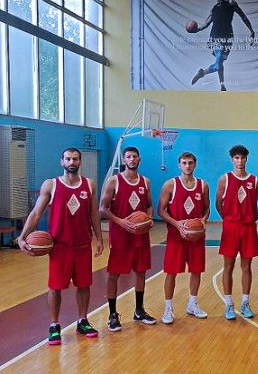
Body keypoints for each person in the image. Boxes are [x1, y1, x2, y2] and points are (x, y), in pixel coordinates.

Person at [18, 148, 104, 345]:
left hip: (83, 244)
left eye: (75, 159)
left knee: (84, 285)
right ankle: (54, 325)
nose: (71, 162)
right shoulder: (51, 184)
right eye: (68, 159)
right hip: (59, 246)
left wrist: (99, 238)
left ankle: (83, 321)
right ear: (62, 162)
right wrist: (22, 237)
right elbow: (36, 213)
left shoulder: (89, 184)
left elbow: (93, 213)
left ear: (80, 161)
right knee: (55, 287)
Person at [99, 147, 156, 331]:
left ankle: (139, 310)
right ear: (124, 160)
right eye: (128, 157)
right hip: (120, 236)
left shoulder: (145, 182)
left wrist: (148, 219)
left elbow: (149, 206)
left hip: (140, 236)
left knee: (141, 272)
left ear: (139, 159)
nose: (132, 159)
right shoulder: (114, 181)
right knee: (113, 275)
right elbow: (103, 208)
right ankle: (112, 314)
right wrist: (121, 222)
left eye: (134, 157)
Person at [158, 152, 210, 325]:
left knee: (196, 271)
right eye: (184, 163)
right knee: (171, 273)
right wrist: (177, 224)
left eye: (190, 163)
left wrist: (203, 220)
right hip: (176, 237)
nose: (187, 166)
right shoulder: (170, 184)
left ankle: (192, 305)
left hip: (196, 236)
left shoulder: (203, 185)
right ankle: (168, 308)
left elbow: (207, 209)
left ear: (195, 164)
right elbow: (161, 210)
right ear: (179, 165)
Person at [216, 145, 258, 320]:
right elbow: (218, 204)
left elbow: (253, 202)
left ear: (246, 159)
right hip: (231, 227)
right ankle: (229, 304)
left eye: (242, 158)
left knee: (246, 267)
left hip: (248, 227)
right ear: (232, 159)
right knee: (228, 266)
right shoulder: (224, 179)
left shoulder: (255, 180)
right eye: (236, 158)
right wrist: (229, 219)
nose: (240, 161)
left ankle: (245, 303)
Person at [190, 0, 255, 91]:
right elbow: (206, 24)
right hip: (215, 36)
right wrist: (196, 30)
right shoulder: (214, 9)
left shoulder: (231, 3)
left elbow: (243, 16)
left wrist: (251, 31)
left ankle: (202, 73)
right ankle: (222, 86)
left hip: (228, 37)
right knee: (219, 57)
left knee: (218, 64)